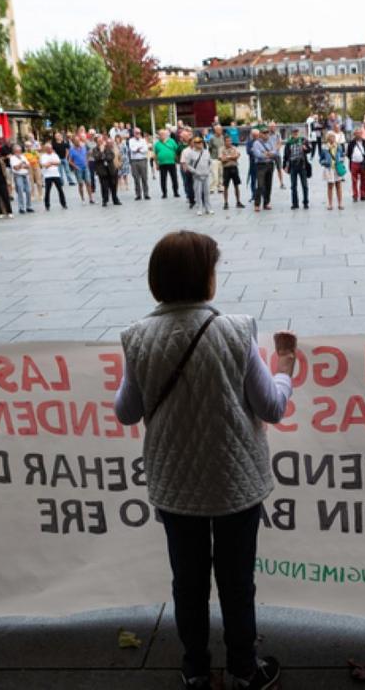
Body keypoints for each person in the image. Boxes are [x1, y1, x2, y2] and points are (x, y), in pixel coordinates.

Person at [114, 230, 296, 690]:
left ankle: (195, 668)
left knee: (188, 582)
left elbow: (127, 411)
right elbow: (272, 407)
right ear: (205, 279)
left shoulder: (136, 337)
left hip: (175, 487)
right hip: (236, 483)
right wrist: (285, 368)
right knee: (237, 582)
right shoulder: (236, 330)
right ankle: (244, 668)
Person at [180, 136, 213, 216]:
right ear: (194, 144)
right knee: (198, 193)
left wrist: (208, 170)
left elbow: (210, 162)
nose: (200, 144)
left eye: (201, 142)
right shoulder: (191, 153)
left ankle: (208, 208)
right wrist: (195, 172)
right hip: (197, 176)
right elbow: (187, 164)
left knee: (207, 192)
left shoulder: (206, 152)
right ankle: (199, 208)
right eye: (197, 143)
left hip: (206, 175)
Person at [282, 128, 311, 210]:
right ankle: (295, 203)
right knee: (293, 186)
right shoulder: (289, 143)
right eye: (294, 132)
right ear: (291, 133)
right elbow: (285, 155)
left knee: (304, 185)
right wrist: (284, 166)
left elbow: (309, 150)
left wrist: (306, 148)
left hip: (302, 165)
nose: (295, 133)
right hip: (293, 165)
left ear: (298, 133)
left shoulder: (303, 140)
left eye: (296, 132)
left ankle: (305, 202)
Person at [250, 126, 277, 212]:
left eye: (267, 133)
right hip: (261, 166)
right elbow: (258, 155)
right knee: (260, 185)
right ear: (260, 134)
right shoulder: (256, 143)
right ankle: (257, 204)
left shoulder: (271, 142)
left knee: (269, 185)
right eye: (264, 133)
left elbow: (275, 152)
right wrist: (268, 154)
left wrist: (266, 153)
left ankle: (266, 203)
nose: (266, 135)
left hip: (270, 165)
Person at [319, 132, 346, 211]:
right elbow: (321, 159)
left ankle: (340, 203)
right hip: (329, 169)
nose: (333, 138)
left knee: (338, 185)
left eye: (334, 137)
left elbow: (342, 156)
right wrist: (325, 162)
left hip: (337, 168)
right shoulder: (324, 148)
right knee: (330, 186)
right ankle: (330, 204)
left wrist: (340, 161)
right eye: (331, 137)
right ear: (328, 138)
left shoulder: (338, 146)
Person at [94, 136, 122, 207]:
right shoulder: (95, 149)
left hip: (111, 169)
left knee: (113, 185)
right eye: (99, 141)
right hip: (102, 171)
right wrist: (101, 152)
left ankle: (115, 199)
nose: (101, 142)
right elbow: (96, 157)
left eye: (101, 140)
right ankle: (105, 200)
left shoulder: (107, 147)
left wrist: (104, 157)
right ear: (96, 142)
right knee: (104, 187)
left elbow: (112, 156)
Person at [39, 145, 67, 210]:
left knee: (60, 190)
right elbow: (45, 165)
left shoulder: (55, 155)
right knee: (47, 191)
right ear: (46, 149)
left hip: (56, 175)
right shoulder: (43, 156)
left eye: (51, 148)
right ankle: (47, 205)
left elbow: (59, 163)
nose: (50, 149)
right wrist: (53, 163)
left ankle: (64, 204)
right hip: (48, 175)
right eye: (48, 148)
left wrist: (50, 163)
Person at [346, 129, 365, 202]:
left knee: (363, 179)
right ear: (354, 134)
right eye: (357, 133)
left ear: (361, 134)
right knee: (354, 180)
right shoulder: (351, 143)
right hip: (354, 163)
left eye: (360, 133)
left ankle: (363, 195)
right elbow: (348, 153)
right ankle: (355, 195)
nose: (358, 135)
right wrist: (352, 158)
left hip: (363, 163)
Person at [125, 128, 149, 201]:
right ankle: (138, 194)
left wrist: (138, 149)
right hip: (134, 161)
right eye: (136, 133)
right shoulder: (131, 140)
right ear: (134, 133)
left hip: (142, 160)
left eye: (139, 132)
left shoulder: (143, 140)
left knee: (144, 178)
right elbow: (132, 149)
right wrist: (139, 149)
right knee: (136, 178)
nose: (138, 134)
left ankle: (146, 194)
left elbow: (145, 150)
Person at [219, 136, 243, 210]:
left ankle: (238, 202)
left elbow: (237, 156)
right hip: (226, 169)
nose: (229, 142)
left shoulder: (234, 148)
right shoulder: (221, 149)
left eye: (230, 141)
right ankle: (226, 203)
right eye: (227, 141)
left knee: (236, 185)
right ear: (224, 142)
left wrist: (227, 157)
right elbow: (222, 159)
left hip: (234, 168)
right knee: (226, 186)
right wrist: (232, 157)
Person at [154, 129, 179, 199]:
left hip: (172, 162)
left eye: (163, 134)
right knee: (163, 179)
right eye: (160, 134)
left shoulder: (172, 141)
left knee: (174, 178)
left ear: (166, 135)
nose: (162, 135)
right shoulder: (157, 144)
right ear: (158, 135)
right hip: (162, 164)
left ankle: (176, 192)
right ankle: (164, 193)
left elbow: (177, 150)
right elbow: (155, 155)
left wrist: (177, 159)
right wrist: (156, 164)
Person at [69, 136, 93, 204]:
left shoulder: (83, 147)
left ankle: (91, 199)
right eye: (76, 141)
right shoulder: (72, 150)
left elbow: (87, 154)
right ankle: (83, 199)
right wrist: (76, 167)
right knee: (80, 184)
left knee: (88, 182)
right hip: (78, 169)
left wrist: (87, 161)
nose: (78, 142)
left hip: (85, 167)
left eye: (78, 140)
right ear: (73, 142)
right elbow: (70, 161)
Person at [207, 125, 224, 195]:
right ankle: (212, 188)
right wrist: (212, 155)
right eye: (219, 130)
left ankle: (220, 187)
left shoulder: (223, 137)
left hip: (222, 158)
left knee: (221, 174)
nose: (220, 131)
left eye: (221, 129)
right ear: (215, 130)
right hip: (214, 158)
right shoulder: (212, 138)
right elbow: (209, 148)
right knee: (215, 175)